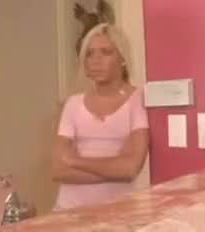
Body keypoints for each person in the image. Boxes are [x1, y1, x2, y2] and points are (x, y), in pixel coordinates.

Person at [52, 23, 150, 210]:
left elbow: (130, 169)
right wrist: (114, 168)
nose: (96, 60)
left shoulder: (138, 100)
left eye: (106, 52)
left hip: (117, 212)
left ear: (122, 58)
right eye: (90, 54)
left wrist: (74, 161)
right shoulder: (73, 104)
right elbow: (58, 170)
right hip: (68, 210)